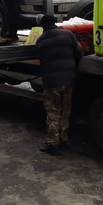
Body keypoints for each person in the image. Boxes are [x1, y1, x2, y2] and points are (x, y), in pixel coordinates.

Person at [35, 14, 83, 155]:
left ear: (42, 25)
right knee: (65, 110)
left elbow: (40, 60)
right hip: (68, 79)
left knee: (53, 111)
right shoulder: (68, 35)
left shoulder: (40, 41)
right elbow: (79, 52)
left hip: (51, 83)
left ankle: (52, 143)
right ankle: (63, 139)